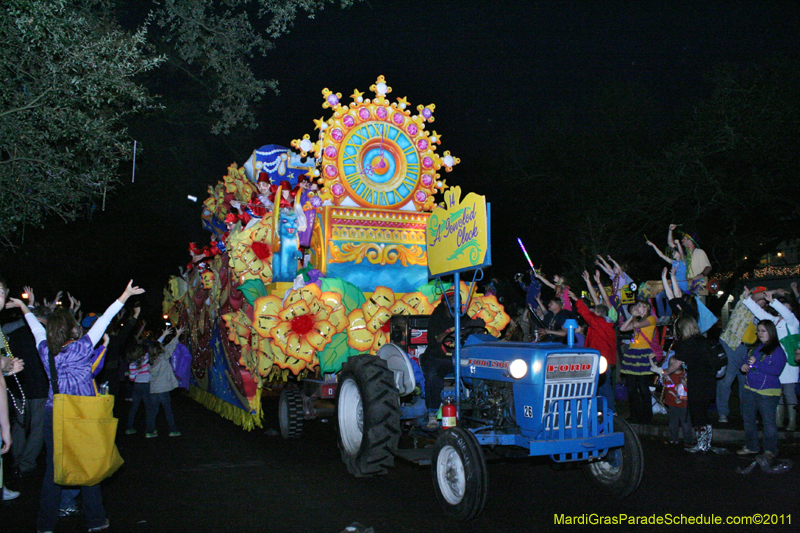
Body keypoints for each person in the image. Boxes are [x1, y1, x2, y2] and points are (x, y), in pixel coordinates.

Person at [5, 280, 144, 533]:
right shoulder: (82, 347)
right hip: (83, 414)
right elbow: (106, 318)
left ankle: (45, 524)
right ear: (71, 330)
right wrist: (124, 294)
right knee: (88, 465)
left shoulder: (46, 349)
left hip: (54, 412)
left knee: (54, 470)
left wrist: (24, 308)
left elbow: (35, 327)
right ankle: (96, 520)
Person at [422, 289, 485, 430]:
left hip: (458, 358)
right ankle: (432, 413)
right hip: (438, 357)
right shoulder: (437, 317)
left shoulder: (462, 316)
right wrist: (457, 331)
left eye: (457, 300)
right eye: (452, 299)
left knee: (478, 371)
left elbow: (470, 327)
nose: (455, 302)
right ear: (445, 302)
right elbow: (438, 338)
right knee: (433, 375)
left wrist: (477, 326)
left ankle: (478, 412)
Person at [655, 316, 716, 452]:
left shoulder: (686, 344)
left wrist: (665, 372)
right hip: (709, 380)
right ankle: (706, 442)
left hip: (697, 381)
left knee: (697, 413)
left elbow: (676, 363)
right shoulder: (703, 340)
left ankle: (702, 444)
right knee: (703, 413)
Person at [742, 290, 799, 431]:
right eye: (781, 308)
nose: (783, 311)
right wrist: (747, 300)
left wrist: (774, 302)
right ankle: (778, 420)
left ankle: (792, 421)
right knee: (777, 392)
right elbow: (760, 314)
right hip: (771, 361)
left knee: (789, 392)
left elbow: (787, 315)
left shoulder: (793, 323)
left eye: (787, 309)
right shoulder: (774, 322)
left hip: (789, 363)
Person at [716, 286, 765, 423]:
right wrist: (775, 292)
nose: (764, 300)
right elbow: (754, 297)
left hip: (748, 350)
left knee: (746, 383)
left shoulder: (762, 314)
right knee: (727, 380)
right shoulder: (744, 305)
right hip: (732, 345)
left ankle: (747, 415)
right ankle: (722, 413)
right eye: (761, 297)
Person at [738, 319, 786, 458]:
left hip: (768, 393)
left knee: (768, 422)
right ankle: (751, 446)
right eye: (758, 330)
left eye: (763, 331)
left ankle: (770, 450)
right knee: (748, 420)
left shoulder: (777, 351)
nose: (760, 333)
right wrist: (743, 365)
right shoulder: (755, 347)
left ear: (771, 332)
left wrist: (757, 364)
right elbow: (746, 360)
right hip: (750, 389)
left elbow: (776, 370)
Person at [570, 290, 616, 413]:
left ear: (599, 313)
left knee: (603, 386)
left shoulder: (599, 322)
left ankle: (610, 411)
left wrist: (576, 299)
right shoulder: (607, 324)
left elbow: (586, 314)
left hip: (600, 359)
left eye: (594, 312)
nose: (592, 313)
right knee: (600, 386)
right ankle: (602, 411)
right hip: (605, 359)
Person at [619, 301, 657, 424]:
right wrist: (631, 316)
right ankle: (634, 414)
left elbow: (637, 325)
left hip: (643, 354)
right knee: (631, 387)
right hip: (632, 353)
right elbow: (622, 328)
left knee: (643, 387)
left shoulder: (651, 319)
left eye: (640, 306)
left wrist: (634, 317)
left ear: (646, 308)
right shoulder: (637, 320)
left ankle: (646, 416)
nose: (637, 308)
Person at [147, 326, 184, 437]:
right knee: (168, 411)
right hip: (163, 390)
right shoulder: (163, 358)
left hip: (154, 390)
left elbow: (155, 346)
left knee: (153, 412)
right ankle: (172, 430)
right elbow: (171, 346)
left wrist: (163, 335)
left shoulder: (150, 359)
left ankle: (149, 431)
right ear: (160, 349)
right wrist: (177, 334)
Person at [646, 234, 688, 325]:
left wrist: (678, 244)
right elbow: (661, 255)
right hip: (673, 287)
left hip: (681, 287)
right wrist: (653, 245)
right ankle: (662, 316)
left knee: (670, 297)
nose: (673, 254)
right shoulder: (673, 262)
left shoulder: (683, 262)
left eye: (674, 252)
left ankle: (668, 317)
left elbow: (682, 254)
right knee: (658, 296)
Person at [125, 342, 154, 437]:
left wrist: (132, 374)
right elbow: (153, 348)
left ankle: (129, 428)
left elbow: (131, 379)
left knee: (134, 407)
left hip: (137, 386)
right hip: (146, 385)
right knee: (149, 407)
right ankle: (149, 430)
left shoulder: (132, 365)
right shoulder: (146, 358)